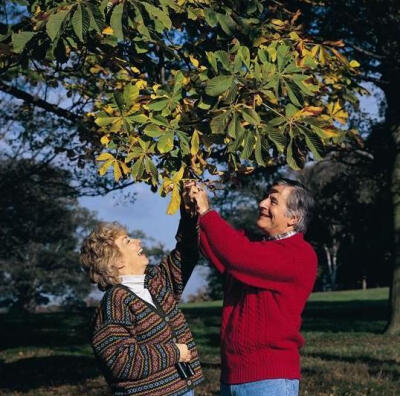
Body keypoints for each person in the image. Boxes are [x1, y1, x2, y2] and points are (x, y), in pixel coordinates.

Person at [189, 178, 317, 396]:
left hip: (269, 380)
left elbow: (236, 254)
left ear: (293, 218)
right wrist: (192, 212)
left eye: (273, 201)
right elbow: (213, 246)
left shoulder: (299, 254)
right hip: (233, 376)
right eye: (266, 197)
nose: (262, 203)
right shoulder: (257, 248)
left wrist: (207, 212)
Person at [80, 188, 203, 396]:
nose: (138, 242)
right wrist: (174, 352)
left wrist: (189, 217)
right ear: (115, 261)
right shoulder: (115, 302)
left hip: (182, 389)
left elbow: (186, 254)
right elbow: (120, 361)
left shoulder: (155, 281)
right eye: (128, 241)